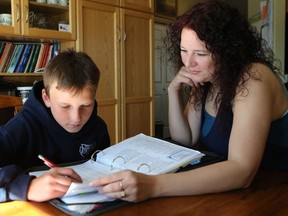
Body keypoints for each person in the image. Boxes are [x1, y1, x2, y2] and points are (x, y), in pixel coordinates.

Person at [89, 0, 288, 202]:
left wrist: (153, 185)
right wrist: (173, 92)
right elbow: (186, 139)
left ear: (227, 52)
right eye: (184, 50)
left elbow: (242, 170)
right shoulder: (206, 79)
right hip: (234, 189)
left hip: (275, 188)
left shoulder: (253, 78)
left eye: (200, 54)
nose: (189, 62)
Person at [0, 49, 110, 202]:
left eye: (86, 105)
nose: (76, 118)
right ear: (46, 98)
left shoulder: (98, 129)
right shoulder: (19, 128)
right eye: (65, 106)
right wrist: (28, 187)